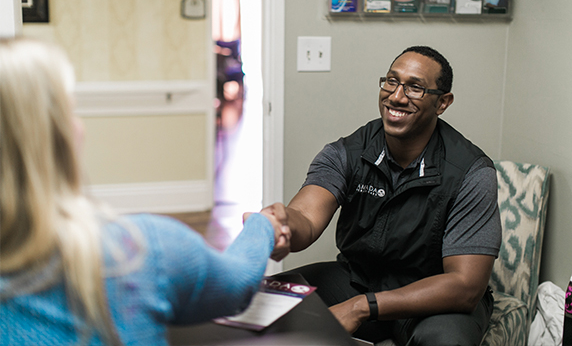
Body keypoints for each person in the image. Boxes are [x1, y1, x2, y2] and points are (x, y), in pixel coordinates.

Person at [0, 37, 290, 345]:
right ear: (55, 136)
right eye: (70, 111)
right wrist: (263, 226)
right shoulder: (140, 250)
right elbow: (238, 284)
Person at [265, 46, 501, 345]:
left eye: (415, 88)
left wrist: (361, 307)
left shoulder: (471, 172)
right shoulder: (346, 153)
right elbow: (307, 219)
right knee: (263, 299)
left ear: (442, 102)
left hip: (435, 299)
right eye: (391, 81)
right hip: (358, 280)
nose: (397, 96)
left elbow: (465, 286)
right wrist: (282, 223)